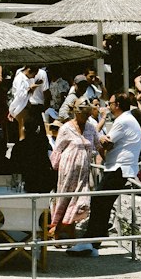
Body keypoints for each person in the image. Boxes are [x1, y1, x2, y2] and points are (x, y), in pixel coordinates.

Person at [77, 91, 141, 255]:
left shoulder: (123, 121)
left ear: (118, 105)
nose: (108, 106)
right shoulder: (127, 119)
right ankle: (95, 240)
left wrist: (97, 137)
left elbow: (107, 142)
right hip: (120, 167)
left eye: (111, 104)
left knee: (99, 200)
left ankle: (91, 240)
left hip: (119, 167)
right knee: (103, 203)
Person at [49, 100, 100, 243]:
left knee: (80, 201)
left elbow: (98, 144)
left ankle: (62, 232)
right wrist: (54, 170)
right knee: (64, 201)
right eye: (84, 114)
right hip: (67, 171)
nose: (87, 117)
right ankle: (59, 232)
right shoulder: (66, 128)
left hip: (83, 173)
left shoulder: (91, 128)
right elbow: (58, 150)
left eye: (88, 114)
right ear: (77, 113)